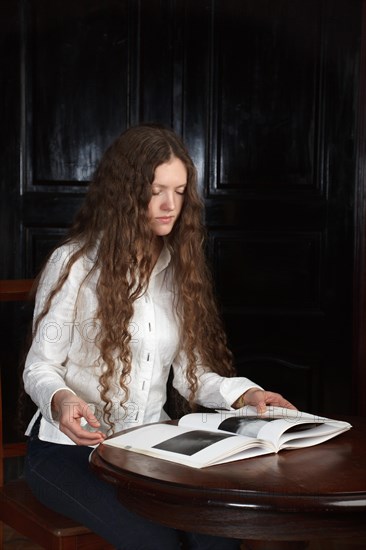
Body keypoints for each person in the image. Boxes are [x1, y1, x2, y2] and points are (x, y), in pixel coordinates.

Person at [23, 124, 296, 550]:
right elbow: (39, 366)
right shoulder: (74, 264)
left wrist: (247, 396)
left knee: (218, 533)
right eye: (156, 190)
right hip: (64, 454)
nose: (170, 205)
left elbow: (192, 376)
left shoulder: (177, 268)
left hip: (146, 448)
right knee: (157, 542)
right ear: (126, 193)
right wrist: (62, 400)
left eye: (180, 190)